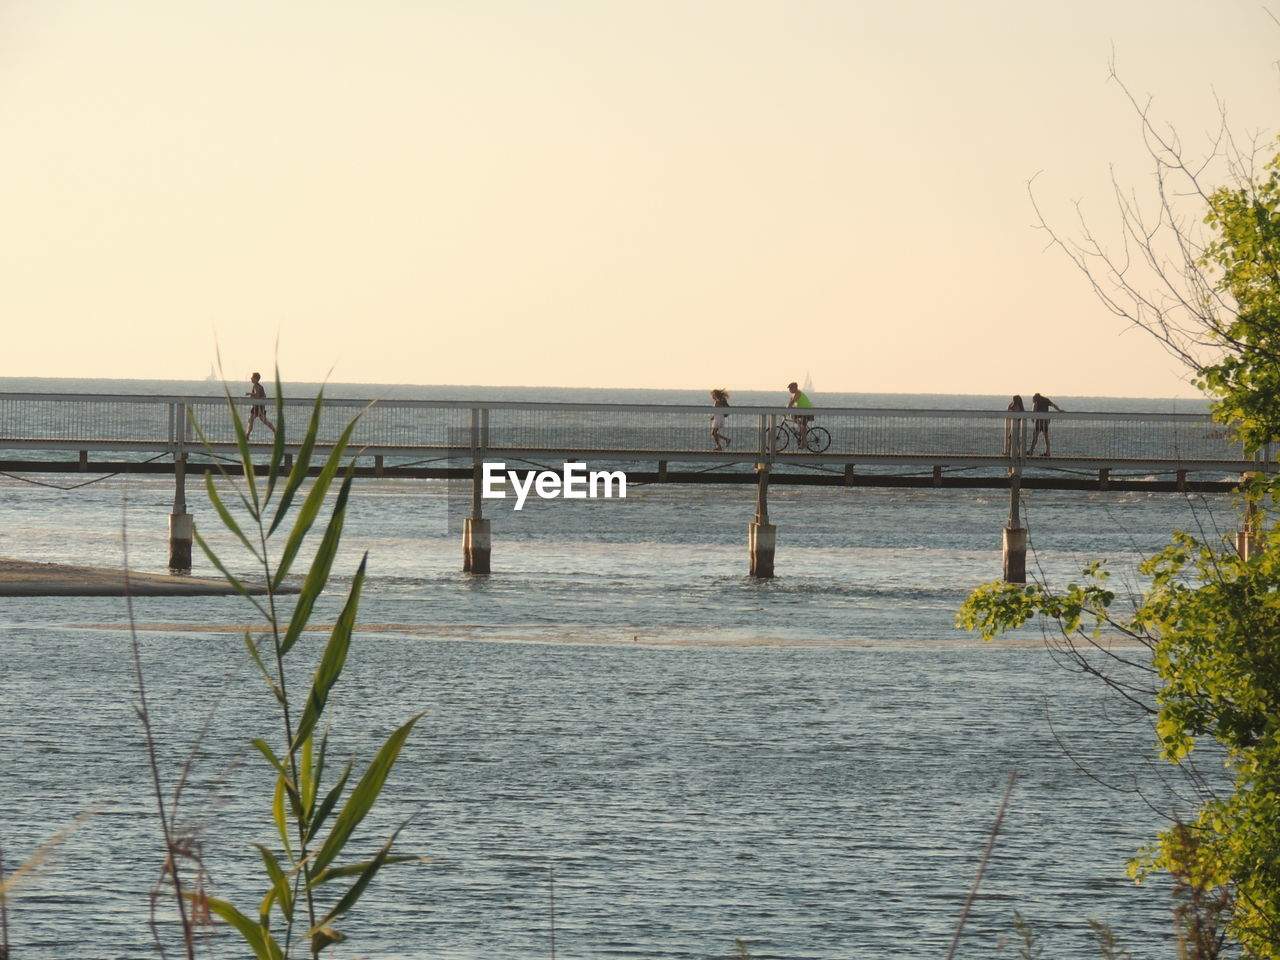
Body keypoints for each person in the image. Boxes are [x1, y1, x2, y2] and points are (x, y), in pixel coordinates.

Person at [1026, 392, 1063, 456]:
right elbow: (1053, 405)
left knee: (1035, 436)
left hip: (1039, 421)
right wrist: (1059, 410)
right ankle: (1048, 451)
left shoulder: (1036, 401)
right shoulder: (1046, 400)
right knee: (1046, 436)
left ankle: (1031, 451)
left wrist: (1032, 417)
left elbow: (1034, 408)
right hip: (1045, 421)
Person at [245, 372, 275, 438]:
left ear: (255, 379)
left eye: (252, 377)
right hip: (257, 406)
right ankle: (247, 435)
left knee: (263, 421)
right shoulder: (258, 386)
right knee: (251, 420)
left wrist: (249, 393)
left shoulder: (257, 386)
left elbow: (257, 395)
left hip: (258, 407)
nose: (251, 379)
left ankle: (276, 432)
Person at [786, 381, 813, 448]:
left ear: (795, 388)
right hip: (803, 411)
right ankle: (800, 430)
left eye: (790, 388)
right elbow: (790, 403)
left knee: (802, 426)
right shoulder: (794, 394)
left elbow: (790, 404)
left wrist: (787, 408)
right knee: (793, 416)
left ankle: (804, 442)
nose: (789, 390)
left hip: (807, 412)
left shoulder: (798, 393)